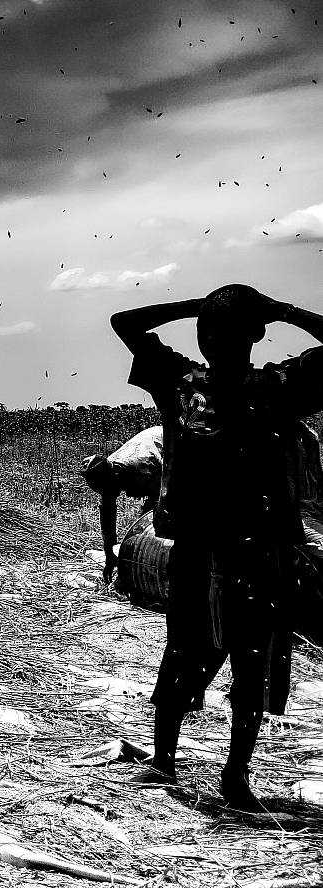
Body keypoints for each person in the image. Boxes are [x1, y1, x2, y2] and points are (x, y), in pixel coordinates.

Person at [111, 283, 323, 810]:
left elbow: (127, 324)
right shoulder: (185, 384)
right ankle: (166, 761)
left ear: (255, 335)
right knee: (185, 653)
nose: (212, 339)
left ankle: (233, 775)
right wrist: (207, 305)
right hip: (200, 548)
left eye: (224, 330)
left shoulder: (277, 387)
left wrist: (274, 309)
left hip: (260, 550)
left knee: (249, 666)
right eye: (207, 329)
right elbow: (124, 321)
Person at [79, 426, 163, 582]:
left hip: (171, 444)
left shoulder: (142, 469)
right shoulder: (105, 473)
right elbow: (107, 519)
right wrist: (109, 556)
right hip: (148, 446)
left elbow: (163, 497)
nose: (107, 492)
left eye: (107, 488)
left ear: (115, 476)